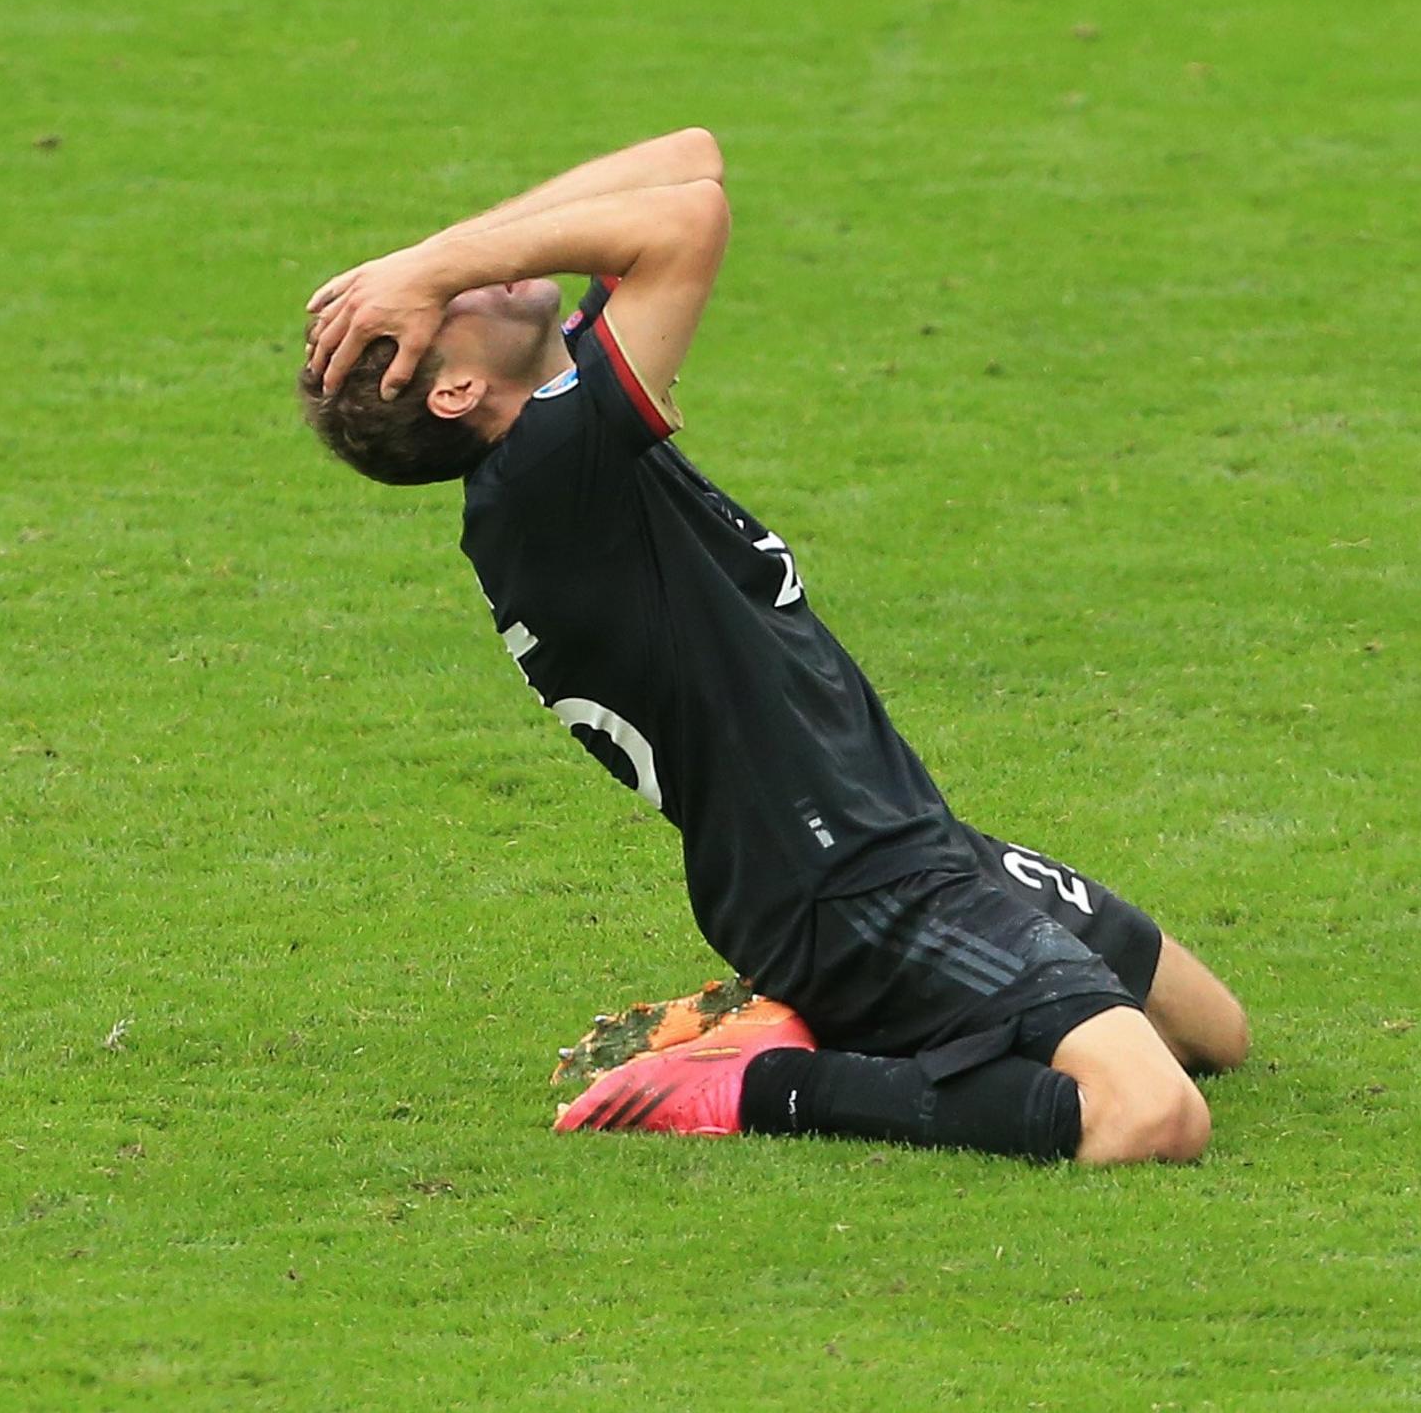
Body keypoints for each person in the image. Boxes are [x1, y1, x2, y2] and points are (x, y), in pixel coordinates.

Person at [298, 129, 1247, 1164]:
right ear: (454, 394)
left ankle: (838, 1021)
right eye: (454, 307)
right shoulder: (545, 481)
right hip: (850, 890)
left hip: (905, 840)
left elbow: (686, 161)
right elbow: (685, 225)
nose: (485, 276)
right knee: (1150, 1114)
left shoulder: (567, 437)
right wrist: (434, 267)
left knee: (1210, 1033)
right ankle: (762, 1083)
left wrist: (433, 260)